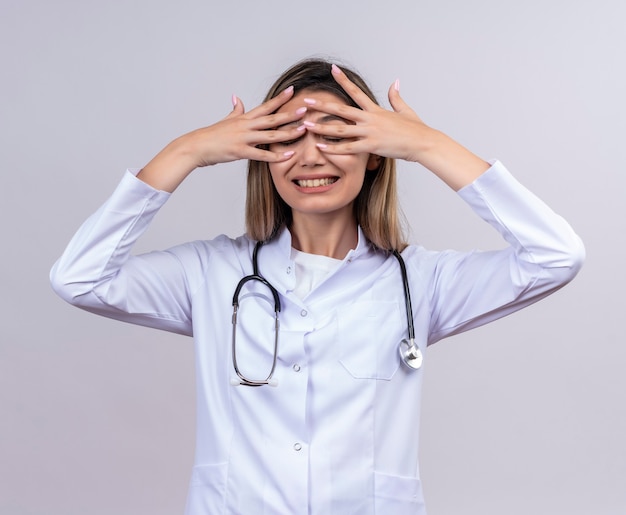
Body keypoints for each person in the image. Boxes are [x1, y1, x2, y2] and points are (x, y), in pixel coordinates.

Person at [50, 58, 585, 514]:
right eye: (287, 139)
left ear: (375, 152)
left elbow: (556, 255)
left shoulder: (420, 282)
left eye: (335, 136)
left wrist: (429, 146)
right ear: (260, 151)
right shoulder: (212, 275)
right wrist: (185, 152)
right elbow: (78, 277)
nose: (310, 158)